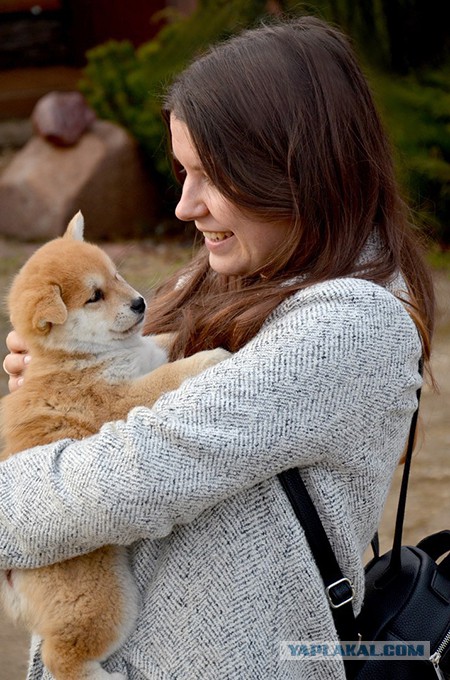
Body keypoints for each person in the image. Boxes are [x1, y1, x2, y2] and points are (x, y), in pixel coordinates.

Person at [1, 15, 434, 680]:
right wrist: (57, 377)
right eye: (181, 171)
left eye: (210, 175)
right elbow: (109, 419)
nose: (183, 205)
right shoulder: (222, 279)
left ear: (294, 168)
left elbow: (132, 475)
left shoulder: (351, 327)